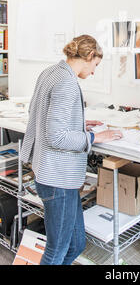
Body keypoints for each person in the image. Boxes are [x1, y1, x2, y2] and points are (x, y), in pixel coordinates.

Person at [20, 35, 123, 265]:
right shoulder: (67, 82)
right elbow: (56, 136)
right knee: (57, 250)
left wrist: (78, 124)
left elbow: (40, 113)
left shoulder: (51, 72)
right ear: (88, 57)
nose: (94, 72)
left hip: (52, 175)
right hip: (57, 178)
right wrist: (95, 137)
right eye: (96, 65)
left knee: (76, 244)